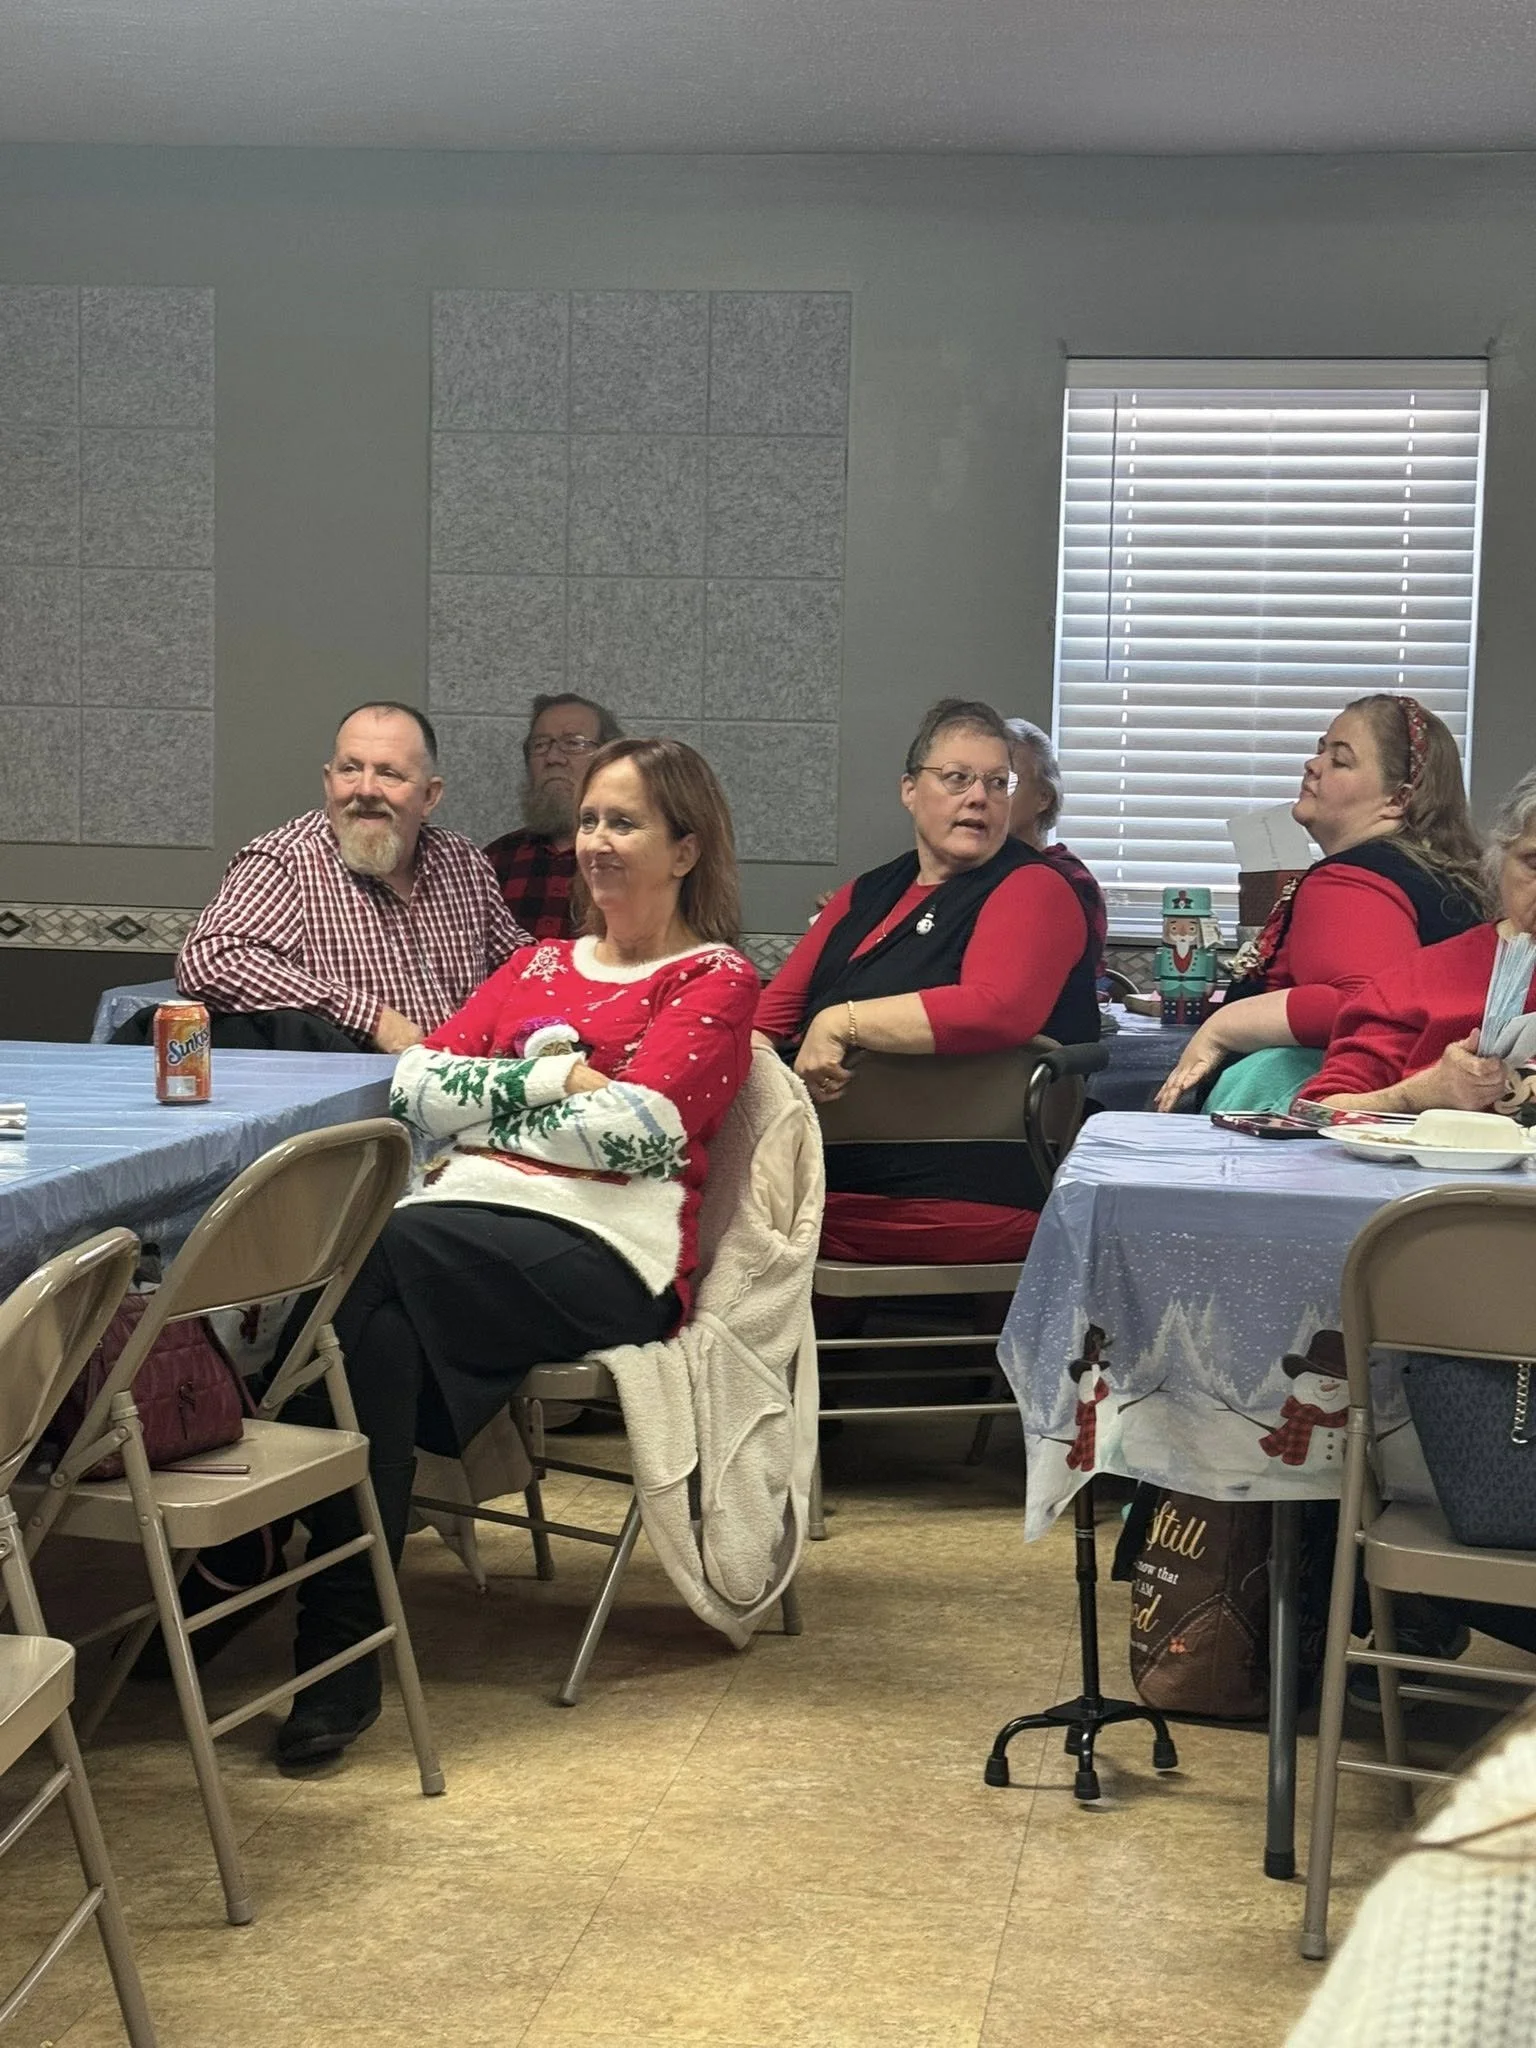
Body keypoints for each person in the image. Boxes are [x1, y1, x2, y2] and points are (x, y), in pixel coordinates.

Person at [275, 737, 760, 1766]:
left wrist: (499, 1104)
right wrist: (563, 1082)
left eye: (623, 822)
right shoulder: (535, 963)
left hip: (614, 1261)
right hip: (466, 1241)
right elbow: (414, 1087)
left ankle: (252, 1569)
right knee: (383, 1334)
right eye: (588, 819)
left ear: (686, 847)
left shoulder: (714, 978)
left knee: (379, 1251)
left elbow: (645, 1133)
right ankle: (339, 1649)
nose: (595, 842)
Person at [756, 697, 1099, 1265]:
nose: (979, 797)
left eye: (997, 782)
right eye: (957, 778)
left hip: (966, 1183)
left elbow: (999, 1009)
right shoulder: (864, 894)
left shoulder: (1034, 887)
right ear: (909, 790)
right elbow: (769, 1021)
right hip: (820, 1175)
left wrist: (842, 1021)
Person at [1154, 694, 1488, 1113]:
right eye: (1320, 750)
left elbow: (1363, 1004)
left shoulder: (1351, 879)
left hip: (1318, 1129)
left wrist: (1223, 1026)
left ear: (1398, 800)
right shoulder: (1449, 879)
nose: (1313, 765)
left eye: (1341, 760)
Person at [177, 702, 526, 1053]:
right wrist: (371, 1018)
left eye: (389, 773)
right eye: (350, 770)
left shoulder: (461, 860)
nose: (366, 790)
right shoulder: (288, 861)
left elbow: (516, 963)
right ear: (328, 784)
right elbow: (209, 962)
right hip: (358, 1098)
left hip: (467, 1083)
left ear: (429, 797)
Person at [1297, 766, 1536, 1117]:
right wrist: (1421, 1094)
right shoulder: (1417, 983)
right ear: (1500, 862)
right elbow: (1314, 1112)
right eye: (1534, 863)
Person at [483, 692, 623, 938]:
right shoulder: (492, 862)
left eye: (573, 743)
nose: (553, 758)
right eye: (540, 745)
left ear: (610, 760)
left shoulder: (629, 856)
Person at [1004, 718, 1108, 985]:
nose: (984, 795)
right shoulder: (961, 871)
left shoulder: (1070, 881)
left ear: (1043, 797)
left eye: (1005, 782)